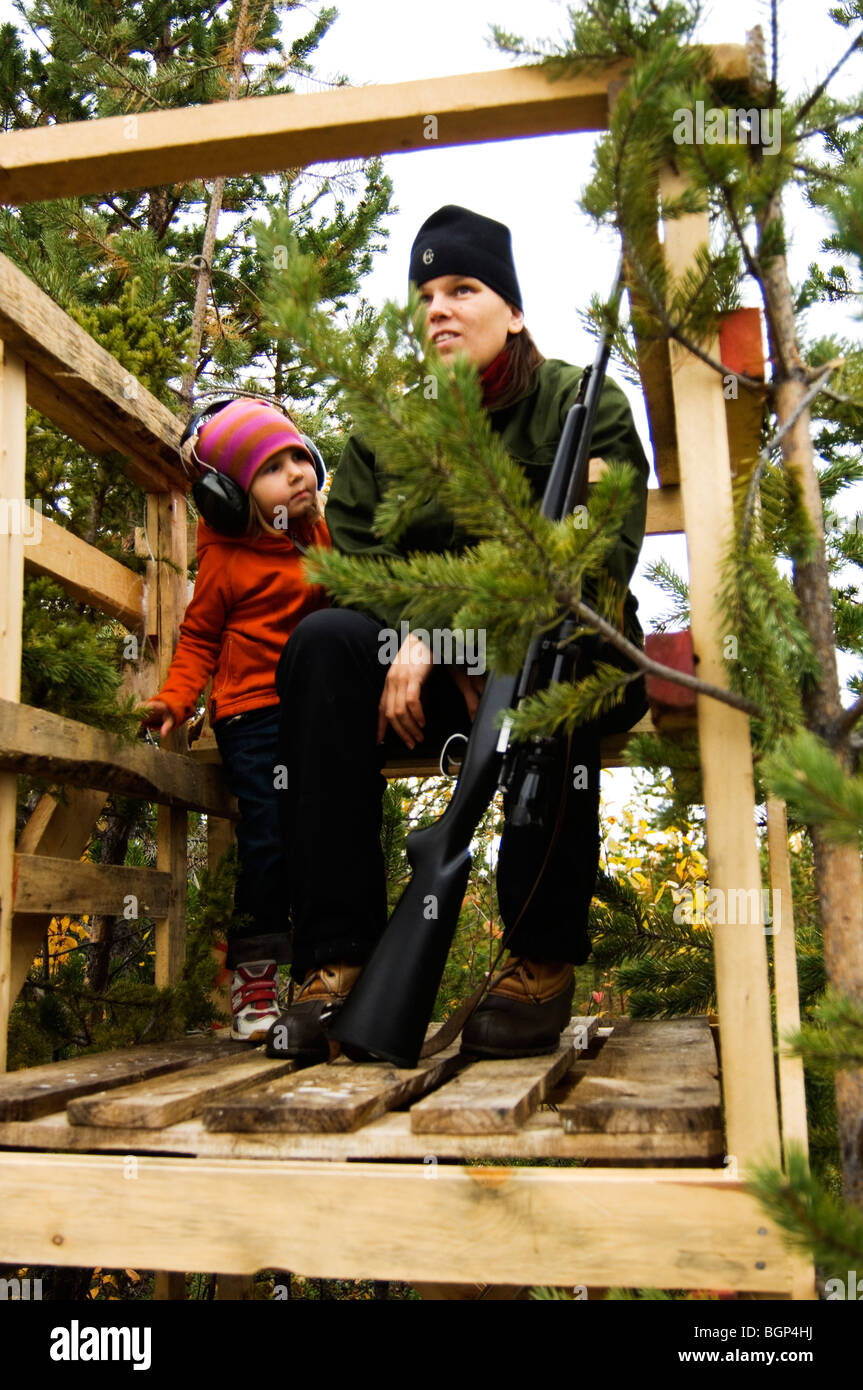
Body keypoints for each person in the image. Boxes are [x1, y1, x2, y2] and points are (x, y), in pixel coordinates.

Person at [268, 205, 650, 1063]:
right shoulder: (381, 434)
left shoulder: (582, 406)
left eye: (462, 288)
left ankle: (538, 962)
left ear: (512, 310)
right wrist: (431, 637)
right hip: (432, 691)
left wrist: (459, 631)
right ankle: (337, 965)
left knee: (559, 647)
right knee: (323, 646)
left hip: (561, 661)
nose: (437, 308)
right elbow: (355, 575)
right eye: (424, 293)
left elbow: (595, 561)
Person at [141, 397, 331, 1042]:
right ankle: (253, 974)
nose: (298, 472)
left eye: (300, 456)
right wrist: (176, 698)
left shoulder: (317, 538)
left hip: (315, 708)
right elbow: (198, 639)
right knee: (268, 838)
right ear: (231, 495)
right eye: (275, 467)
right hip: (253, 714)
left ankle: (321, 974)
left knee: (321, 834)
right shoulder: (224, 560)